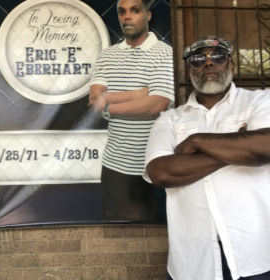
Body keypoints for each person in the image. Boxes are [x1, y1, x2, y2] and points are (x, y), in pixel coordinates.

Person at [143, 36, 270, 280]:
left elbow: (266, 146)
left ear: (230, 64)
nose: (208, 64)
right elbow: (161, 173)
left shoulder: (259, 101)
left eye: (218, 57)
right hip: (193, 260)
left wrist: (196, 141)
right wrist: (239, 146)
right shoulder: (169, 119)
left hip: (255, 253)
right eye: (199, 59)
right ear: (190, 69)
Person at [89, 0, 174, 221]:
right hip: (115, 166)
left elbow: (157, 105)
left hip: (156, 163)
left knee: (158, 233)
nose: (127, 16)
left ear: (148, 15)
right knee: (117, 235)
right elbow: (95, 98)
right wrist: (142, 93)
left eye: (135, 10)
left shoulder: (164, 54)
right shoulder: (107, 55)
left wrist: (109, 102)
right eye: (122, 12)